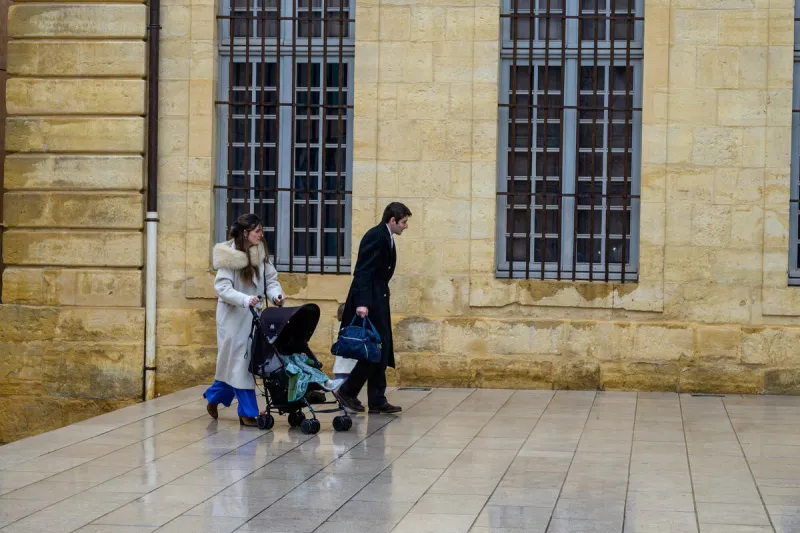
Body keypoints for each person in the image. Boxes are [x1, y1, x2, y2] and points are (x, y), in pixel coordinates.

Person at [204, 214, 286, 427]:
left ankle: (213, 396)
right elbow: (223, 288)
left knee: (236, 366)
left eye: (261, 230)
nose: (261, 234)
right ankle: (248, 413)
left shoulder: (260, 253)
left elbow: (271, 280)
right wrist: (245, 299)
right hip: (232, 320)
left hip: (253, 319)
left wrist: (276, 295)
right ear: (246, 233)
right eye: (257, 231)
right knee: (240, 366)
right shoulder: (229, 258)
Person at [334, 202, 411, 415]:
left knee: (381, 348)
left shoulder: (386, 236)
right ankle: (348, 391)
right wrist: (362, 303)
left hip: (378, 298)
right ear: (392, 220)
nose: (406, 226)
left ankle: (377, 399)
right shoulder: (376, 236)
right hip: (369, 300)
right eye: (404, 222)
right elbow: (363, 270)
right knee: (373, 348)